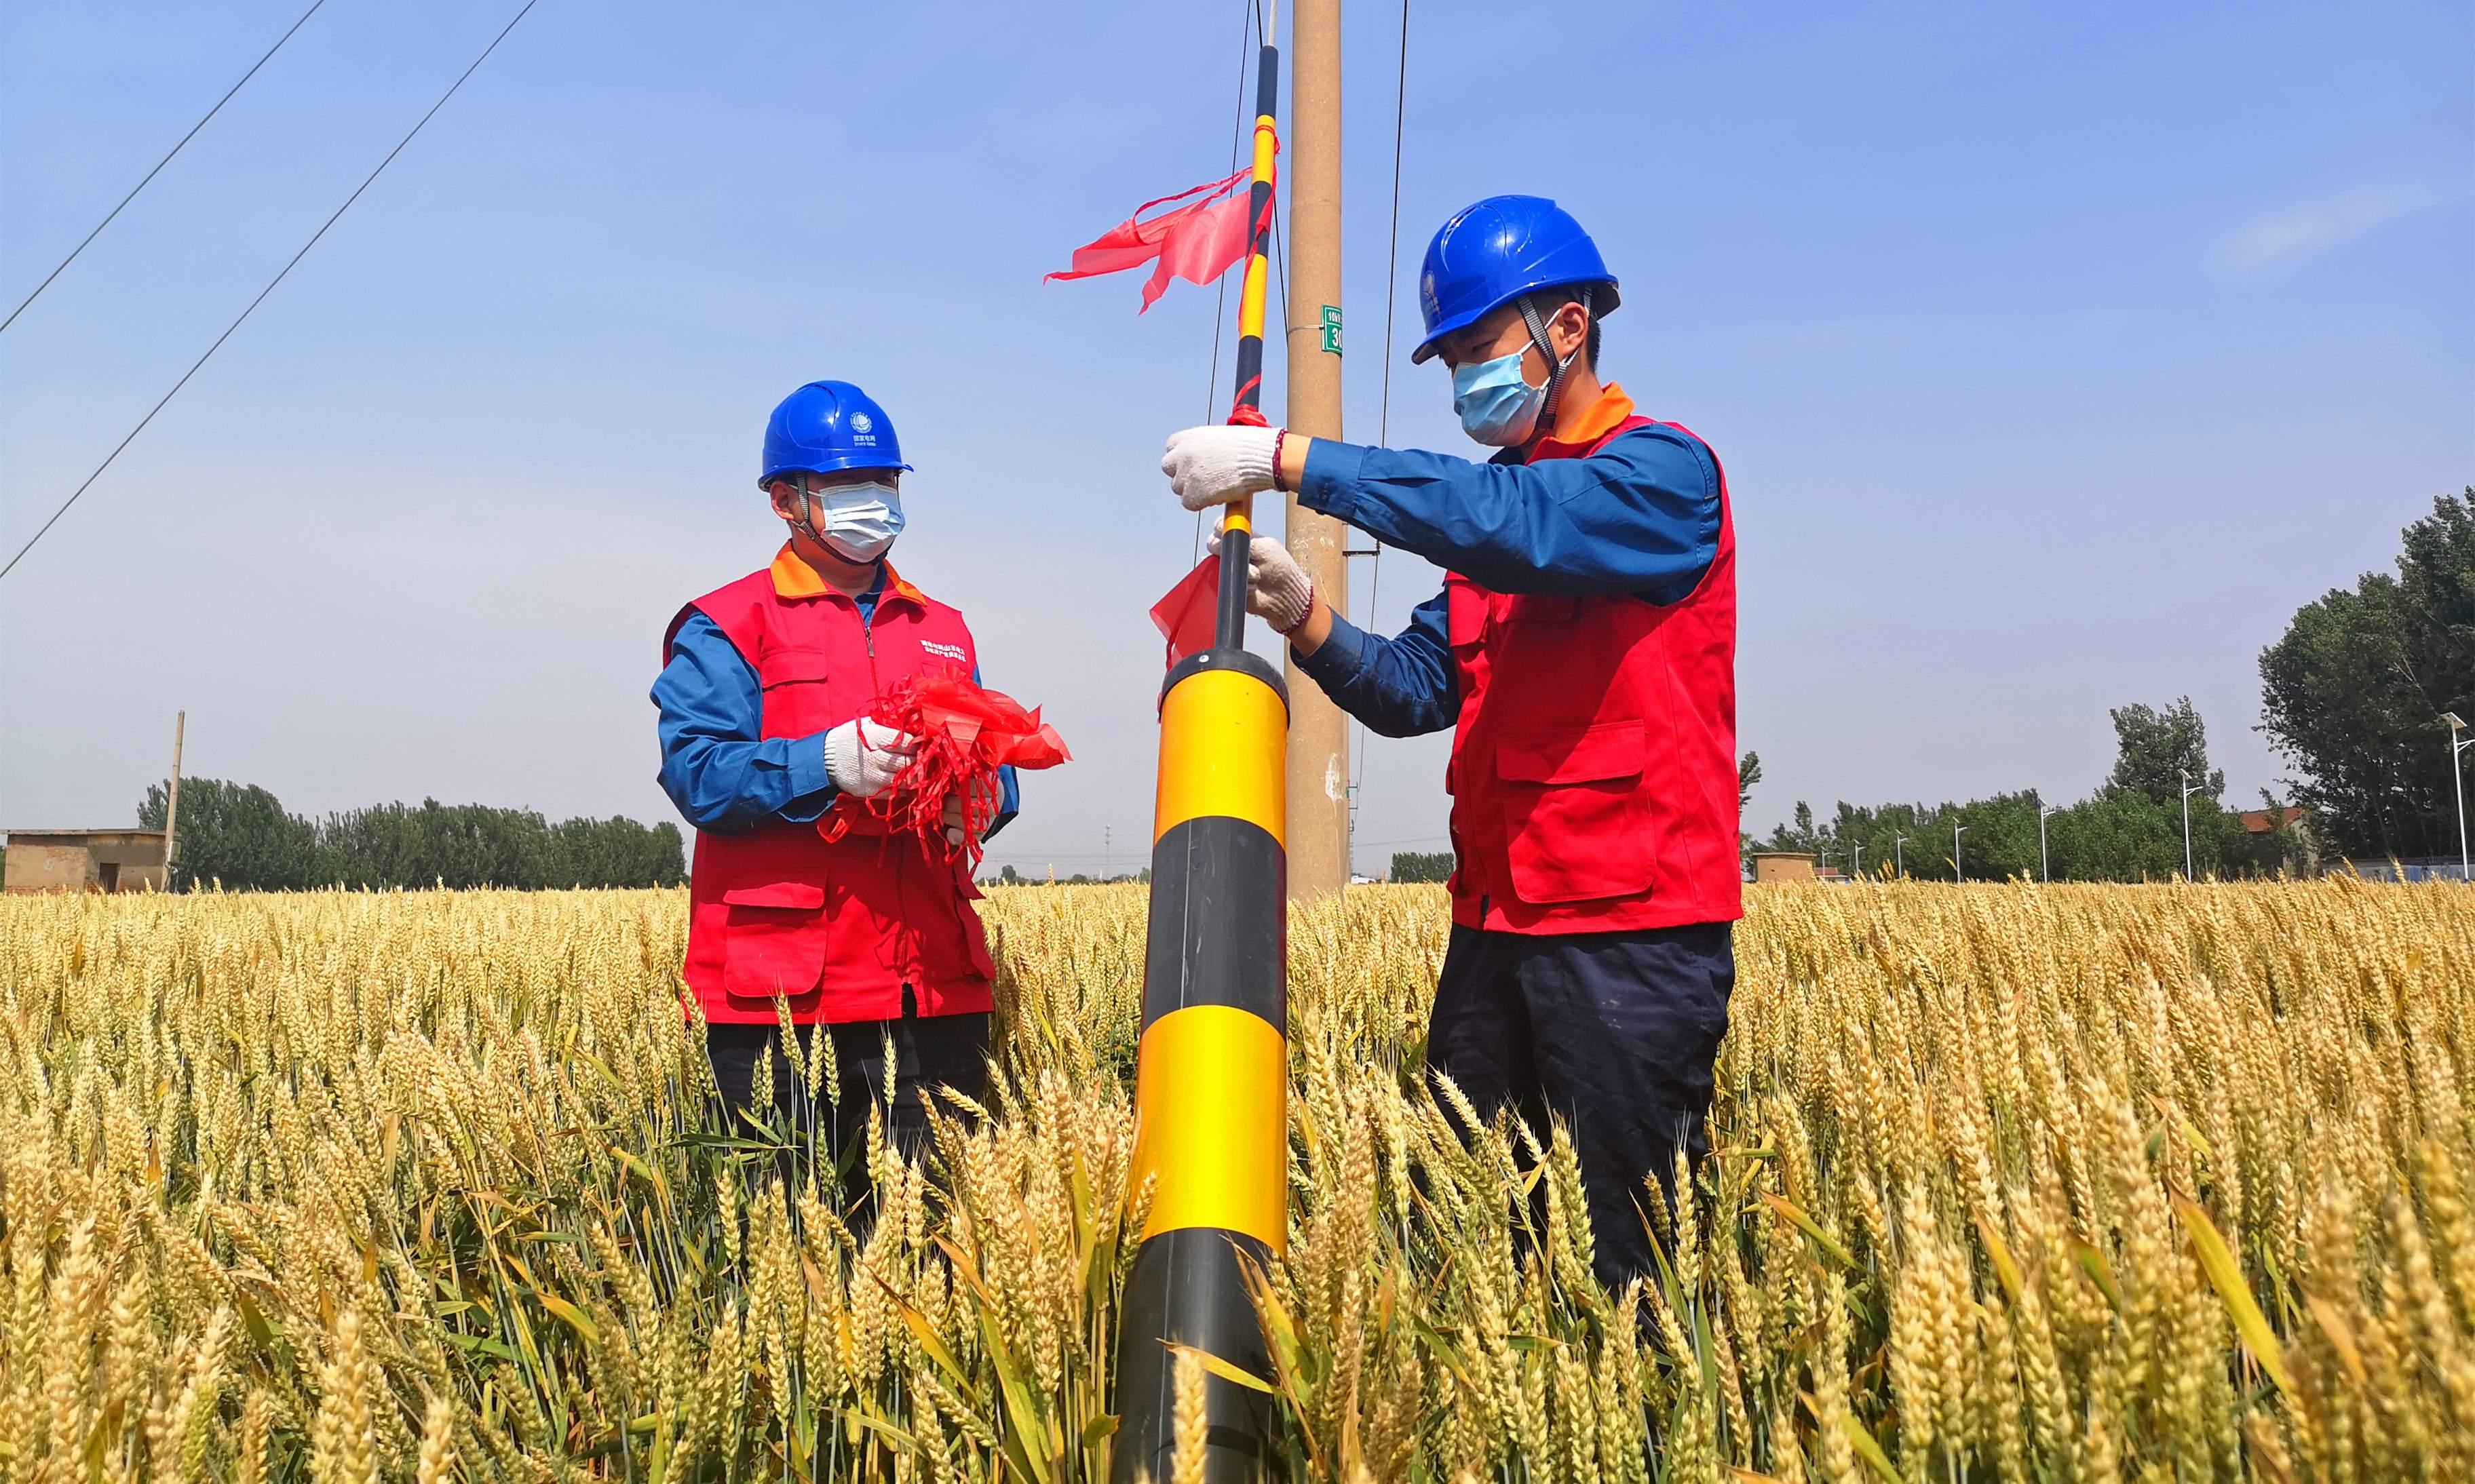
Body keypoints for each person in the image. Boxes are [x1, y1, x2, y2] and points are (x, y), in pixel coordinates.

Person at [1157, 195, 1738, 1287]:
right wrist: (1306, 621)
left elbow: (1510, 523)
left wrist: (1288, 460)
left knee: (1632, 1270)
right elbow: (1418, 688)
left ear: (1567, 329)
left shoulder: (1662, 479)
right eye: (1454, 359)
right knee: (1473, 1243)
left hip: (1631, 937)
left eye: (1479, 349)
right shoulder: (1491, 511)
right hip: (1497, 929)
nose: (1466, 379)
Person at [653, 378, 1017, 1208]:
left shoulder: (944, 629)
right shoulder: (727, 623)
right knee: (791, 1252)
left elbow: (998, 765)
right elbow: (696, 773)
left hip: (930, 987)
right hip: (782, 1002)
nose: (876, 501)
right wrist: (822, 761)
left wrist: (982, 798)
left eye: (886, 482)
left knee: (939, 1247)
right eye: (851, 485)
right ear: (786, 501)